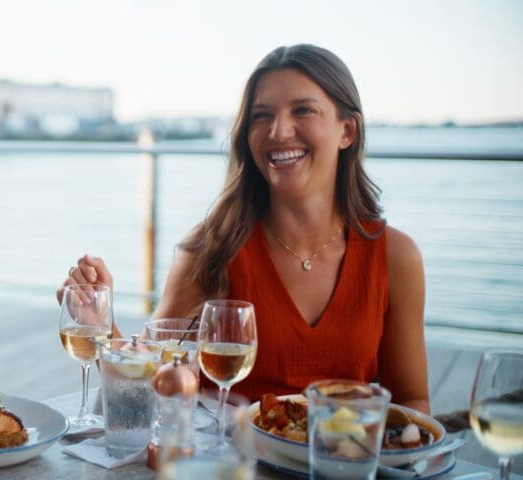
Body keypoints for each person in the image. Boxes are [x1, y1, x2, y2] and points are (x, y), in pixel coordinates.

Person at [61, 45, 429, 413]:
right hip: (231, 466)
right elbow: (142, 387)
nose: (279, 130)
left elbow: (412, 403)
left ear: (347, 130)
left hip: (343, 464)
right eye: (261, 115)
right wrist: (100, 326)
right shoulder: (212, 249)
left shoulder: (396, 257)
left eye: (303, 110)